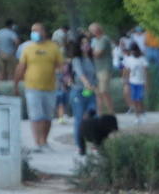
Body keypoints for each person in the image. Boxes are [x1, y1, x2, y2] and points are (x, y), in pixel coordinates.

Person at [13, 22, 64, 151]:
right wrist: (16, 83)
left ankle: (44, 141)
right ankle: (38, 143)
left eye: (37, 30)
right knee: (36, 116)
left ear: (44, 32)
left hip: (50, 87)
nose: (34, 33)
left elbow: (60, 65)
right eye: (33, 31)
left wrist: (61, 75)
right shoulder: (27, 48)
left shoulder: (53, 47)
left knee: (47, 116)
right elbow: (21, 67)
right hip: (32, 87)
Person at [66, 37, 99, 156]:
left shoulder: (91, 59)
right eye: (83, 43)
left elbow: (94, 75)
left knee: (94, 117)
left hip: (90, 92)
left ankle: (95, 144)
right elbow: (80, 73)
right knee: (79, 119)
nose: (86, 45)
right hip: (79, 91)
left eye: (87, 43)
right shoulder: (76, 59)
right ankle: (80, 145)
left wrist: (94, 86)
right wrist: (87, 84)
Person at [88, 23, 115, 114]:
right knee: (98, 93)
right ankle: (99, 113)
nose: (91, 33)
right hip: (97, 68)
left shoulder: (104, 39)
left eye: (92, 31)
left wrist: (88, 52)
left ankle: (111, 113)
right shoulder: (94, 40)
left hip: (104, 68)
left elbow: (98, 53)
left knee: (104, 91)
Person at [121, 42, 148, 123]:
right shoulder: (129, 59)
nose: (133, 52)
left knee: (139, 99)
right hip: (132, 82)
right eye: (131, 51)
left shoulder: (142, 59)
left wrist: (146, 81)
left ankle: (142, 112)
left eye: (134, 50)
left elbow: (145, 71)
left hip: (141, 82)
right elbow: (126, 70)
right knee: (134, 99)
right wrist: (124, 79)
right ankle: (137, 116)